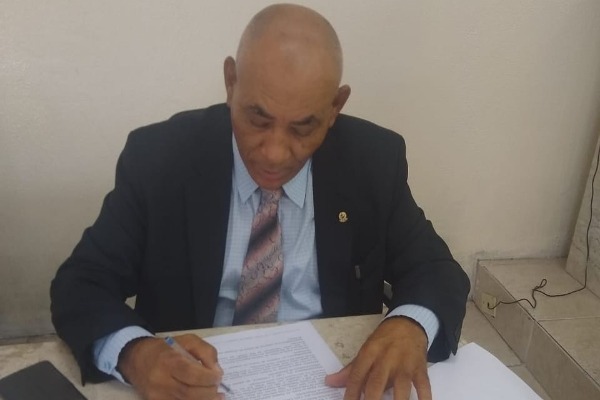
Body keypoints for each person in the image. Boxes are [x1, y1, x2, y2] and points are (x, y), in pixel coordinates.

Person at [51, 4, 469, 400]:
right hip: (197, 385)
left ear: (335, 107)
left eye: (303, 128)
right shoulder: (160, 159)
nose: (274, 153)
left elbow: (435, 270)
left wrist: (410, 324)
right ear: (231, 82)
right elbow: (81, 283)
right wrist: (136, 354)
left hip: (329, 381)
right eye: (257, 119)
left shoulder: (371, 161)